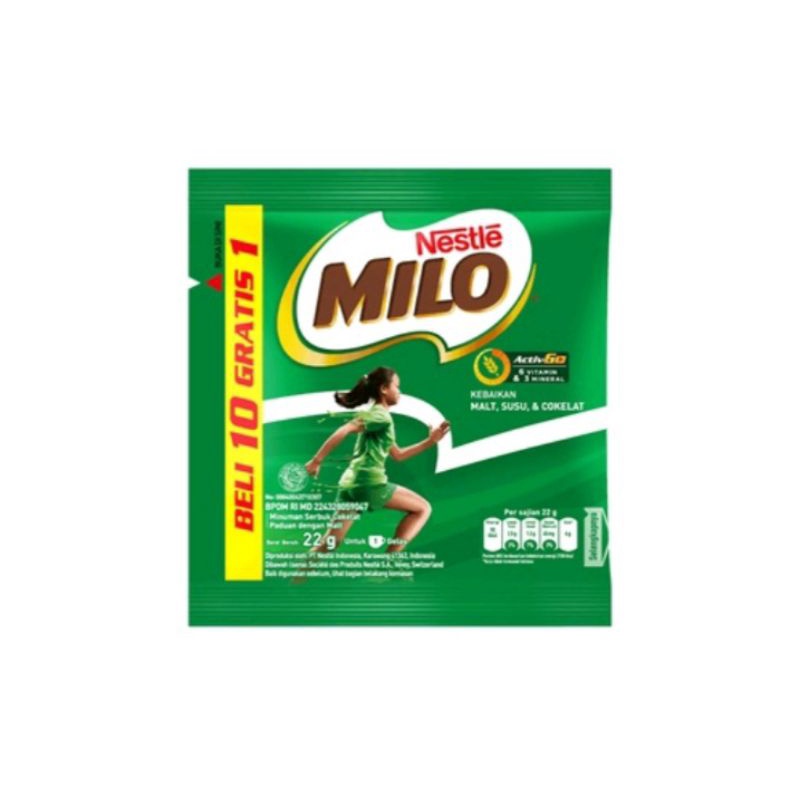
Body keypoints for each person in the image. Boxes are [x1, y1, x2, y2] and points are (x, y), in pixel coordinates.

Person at [304, 366, 450, 556]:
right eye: (396, 386)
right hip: (369, 483)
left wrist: (430, 441)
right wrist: (316, 461)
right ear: (383, 389)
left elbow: (398, 455)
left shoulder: (377, 417)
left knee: (330, 543)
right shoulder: (381, 416)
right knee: (423, 509)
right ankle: (388, 563)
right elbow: (345, 429)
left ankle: (299, 574)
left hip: (350, 485)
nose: (400, 391)